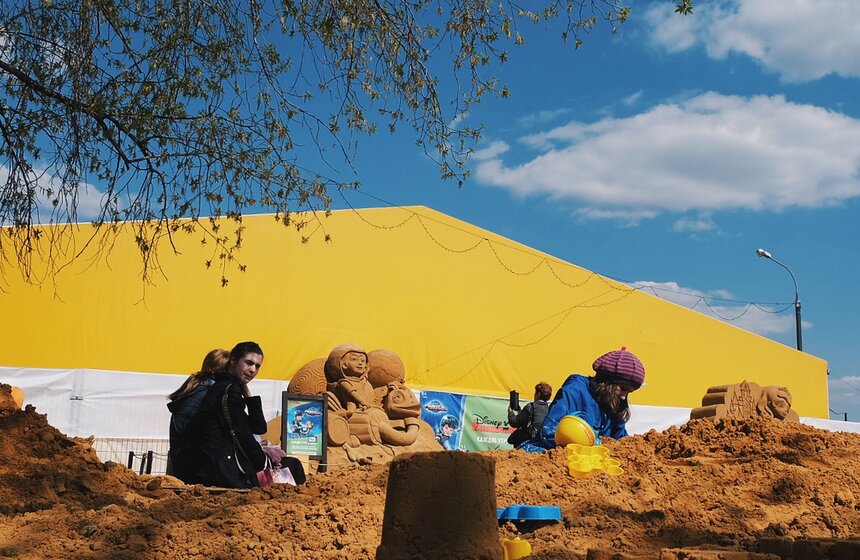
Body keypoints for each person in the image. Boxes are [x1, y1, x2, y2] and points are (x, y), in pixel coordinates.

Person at [521, 346, 645, 453]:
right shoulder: (574, 391)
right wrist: (586, 441)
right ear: (606, 382)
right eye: (622, 388)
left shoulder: (615, 405)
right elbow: (548, 432)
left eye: (629, 392)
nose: (624, 396)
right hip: (557, 452)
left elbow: (620, 441)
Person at [185, 341, 269, 488]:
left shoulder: (225, 388)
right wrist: (261, 460)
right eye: (248, 363)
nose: (252, 370)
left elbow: (258, 427)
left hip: (212, 467)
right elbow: (242, 431)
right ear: (233, 361)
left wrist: (248, 395)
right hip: (220, 471)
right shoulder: (228, 391)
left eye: (257, 366)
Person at [166, 348, 230, 479]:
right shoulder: (208, 395)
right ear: (214, 371)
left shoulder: (192, 391)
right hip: (195, 466)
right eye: (227, 371)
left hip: (182, 461)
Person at [507, 381, 552, 449]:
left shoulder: (531, 407)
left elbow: (514, 422)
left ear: (538, 394)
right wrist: (521, 413)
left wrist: (510, 412)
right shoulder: (549, 409)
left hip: (528, 443)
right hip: (543, 443)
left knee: (512, 438)